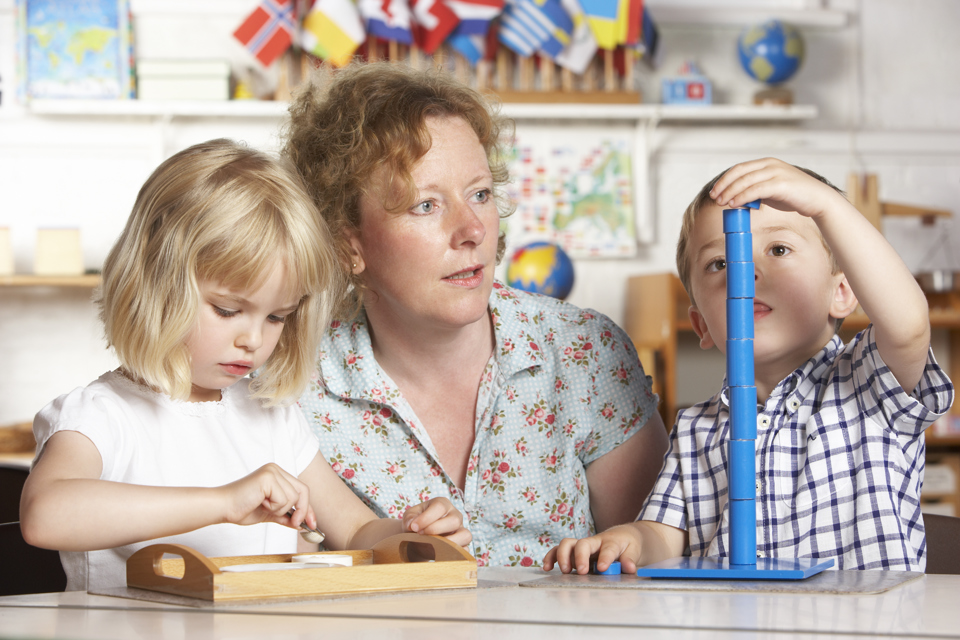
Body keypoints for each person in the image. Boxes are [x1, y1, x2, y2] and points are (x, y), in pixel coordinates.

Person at [19, 139, 469, 592]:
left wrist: (412, 534)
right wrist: (224, 502)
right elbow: (45, 515)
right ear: (155, 282)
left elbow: (355, 532)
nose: (253, 340)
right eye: (228, 310)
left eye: (276, 317)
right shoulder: (102, 415)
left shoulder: (270, 417)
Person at [282, 62, 668, 567]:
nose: (472, 230)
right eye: (425, 205)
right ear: (347, 242)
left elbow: (661, 556)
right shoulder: (294, 382)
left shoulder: (584, 352)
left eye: (480, 194)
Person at [544, 157, 954, 574]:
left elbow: (908, 325)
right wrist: (627, 540)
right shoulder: (695, 429)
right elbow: (664, 534)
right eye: (718, 264)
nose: (746, 270)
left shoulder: (869, 382)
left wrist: (826, 207)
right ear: (702, 325)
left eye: (779, 249)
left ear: (844, 292)